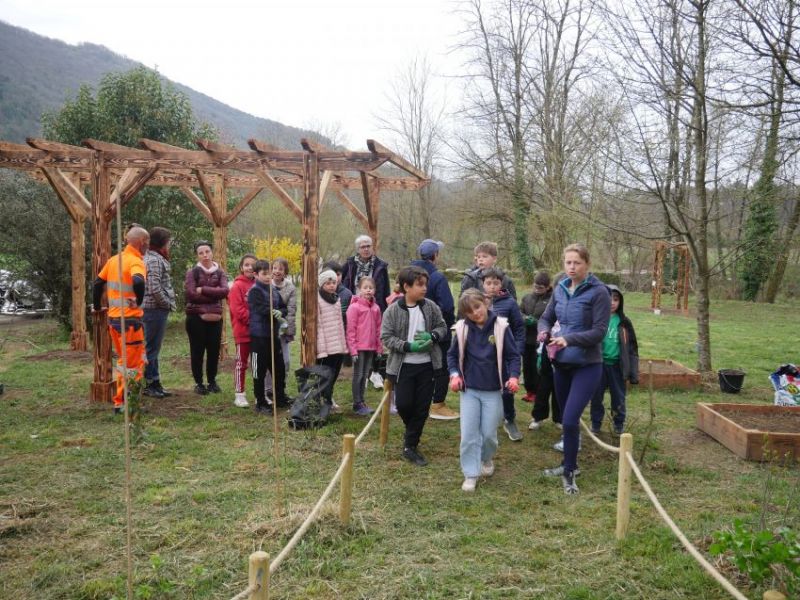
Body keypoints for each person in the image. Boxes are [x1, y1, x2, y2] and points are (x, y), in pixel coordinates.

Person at [537, 243, 610, 495]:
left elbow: (599, 332)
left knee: (569, 419)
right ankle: (569, 465)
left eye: (576, 263)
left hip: (588, 365)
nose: (571, 267)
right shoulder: (560, 289)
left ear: (587, 264)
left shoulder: (599, 292)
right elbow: (546, 317)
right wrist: (543, 331)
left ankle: (569, 473)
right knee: (566, 421)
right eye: (568, 262)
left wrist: (570, 339)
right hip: (561, 363)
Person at [448, 288, 520, 492]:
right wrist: (455, 374)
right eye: (470, 312)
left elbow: (513, 356)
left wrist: (514, 376)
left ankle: (486, 458)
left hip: (493, 390)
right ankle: (470, 473)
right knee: (469, 433)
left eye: (477, 307)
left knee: (488, 434)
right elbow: (452, 356)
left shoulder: (501, 327)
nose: (476, 313)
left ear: (485, 303)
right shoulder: (462, 329)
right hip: (469, 389)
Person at [380, 266, 447, 467]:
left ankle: (410, 446)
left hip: (427, 366)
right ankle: (413, 431)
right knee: (404, 405)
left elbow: (442, 327)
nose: (424, 288)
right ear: (406, 287)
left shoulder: (431, 307)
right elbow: (386, 338)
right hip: (403, 367)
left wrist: (432, 336)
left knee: (422, 407)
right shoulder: (392, 310)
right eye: (419, 285)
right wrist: (408, 346)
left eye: (425, 284)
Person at [92, 225, 150, 414]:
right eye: (147, 242)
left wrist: (98, 306)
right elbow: (139, 281)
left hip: (114, 321)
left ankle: (122, 401)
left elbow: (98, 282)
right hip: (130, 323)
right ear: (142, 242)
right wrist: (138, 301)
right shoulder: (135, 261)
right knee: (132, 365)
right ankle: (126, 403)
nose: (148, 246)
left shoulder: (114, 260)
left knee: (124, 361)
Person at [411, 239, 459, 421]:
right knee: (441, 367)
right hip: (438, 331)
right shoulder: (437, 277)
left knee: (420, 363)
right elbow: (447, 305)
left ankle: (419, 400)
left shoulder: (409, 273)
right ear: (435, 256)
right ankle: (438, 404)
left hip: (414, 328)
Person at [480, 267, 526, 441]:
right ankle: (484, 418)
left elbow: (519, 328)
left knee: (507, 389)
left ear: (501, 283)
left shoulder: (509, 303)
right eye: (488, 283)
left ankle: (509, 419)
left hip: (506, 354)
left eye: (496, 283)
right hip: (483, 355)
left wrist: (518, 350)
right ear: (483, 284)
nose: (492, 286)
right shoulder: (477, 301)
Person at [589, 284, 639, 435]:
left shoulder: (624, 322)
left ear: (620, 302)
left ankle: (618, 423)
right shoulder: (596, 319)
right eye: (609, 299)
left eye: (616, 299)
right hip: (598, 366)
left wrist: (633, 372)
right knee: (596, 396)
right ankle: (596, 423)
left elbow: (632, 348)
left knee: (618, 397)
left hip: (617, 367)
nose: (612, 302)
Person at [184, 240, 229, 395]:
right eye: (201, 253)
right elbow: (191, 294)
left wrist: (203, 289)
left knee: (213, 350)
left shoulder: (220, 272)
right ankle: (199, 383)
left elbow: (224, 291)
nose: (205, 255)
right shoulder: (193, 272)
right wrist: (213, 296)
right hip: (196, 318)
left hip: (215, 318)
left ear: (212, 252)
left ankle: (212, 381)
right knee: (197, 351)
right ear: (197, 255)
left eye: (207, 251)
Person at [520, 272, 561, 429]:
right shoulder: (551, 301)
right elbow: (546, 319)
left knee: (559, 385)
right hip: (545, 344)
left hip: (564, 346)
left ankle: (559, 418)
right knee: (544, 383)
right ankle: (538, 417)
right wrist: (542, 329)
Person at [247, 260, 288, 415]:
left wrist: (280, 312)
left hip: (273, 336)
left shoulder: (273, 289)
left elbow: (283, 307)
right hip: (259, 337)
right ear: (256, 275)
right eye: (264, 274)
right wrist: (273, 312)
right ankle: (260, 402)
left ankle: (280, 397)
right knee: (259, 371)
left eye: (269, 273)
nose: (268, 276)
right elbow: (261, 309)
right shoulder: (254, 291)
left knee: (279, 369)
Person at [142, 227, 176, 399]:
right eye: (168, 241)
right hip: (154, 309)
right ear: (161, 242)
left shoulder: (155, 257)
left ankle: (155, 382)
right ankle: (149, 383)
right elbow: (154, 287)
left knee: (154, 347)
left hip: (155, 309)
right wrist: (166, 303)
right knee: (151, 348)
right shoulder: (154, 260)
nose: (169, 244)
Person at [346, 276, 382, 416]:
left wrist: (379, 348)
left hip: (371, 348)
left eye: (371, 288)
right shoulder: (354, 307)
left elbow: (379, 329)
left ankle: (362, 400)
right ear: (359, 290)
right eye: (365, 287)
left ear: (374, 290)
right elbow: (351, 330)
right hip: (359, 348)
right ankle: (357, 403)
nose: (368, 290)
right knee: (358, 375)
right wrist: (353, 350)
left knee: (365, 375)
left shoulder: (376, 308)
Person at [317, 269, 348, 409]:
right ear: (322, 284)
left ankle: (328, 397)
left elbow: (340, 323)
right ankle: (323, 398)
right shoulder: (317, 299)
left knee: (334, 373)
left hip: (337, 344)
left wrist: (343, 344)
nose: (331, 285)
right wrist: (322, 349)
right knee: (325, 374)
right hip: (326, 345)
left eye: (334, 282)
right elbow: (318, 325)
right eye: (328, 283)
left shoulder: (336, 298)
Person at [229, 253, 257, 408]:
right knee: (241, 363)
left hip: (258, 332)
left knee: (257, 363)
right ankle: (239, 394)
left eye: (253, 265)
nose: (250, 267)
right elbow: (237, 310)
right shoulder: (237, 286)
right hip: (243, 331)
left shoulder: (259, 285)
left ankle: (260, 393)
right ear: (241, 267)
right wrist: (255, 320)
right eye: (246, 264)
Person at [341, 235, 391, 313]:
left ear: (372, 247)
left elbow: (386, 290)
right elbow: (340, 282)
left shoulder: (381, 266)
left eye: (368, 246)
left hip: (374, 308)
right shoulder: (349, 264)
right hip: (353, 307)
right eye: (363, 247)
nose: (366, 249)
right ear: (358, 249)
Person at [271, 258, 297, 372]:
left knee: (284, 360)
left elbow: (291, 309)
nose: (277, 271)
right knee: (270, 358)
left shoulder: (290, 288)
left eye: (280, 269)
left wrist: (287, 330)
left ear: (285, 272)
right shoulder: (266, 285)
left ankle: (282, 386)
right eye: (275, 268)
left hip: (283, 327)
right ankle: (268, 389)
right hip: (268, 327)